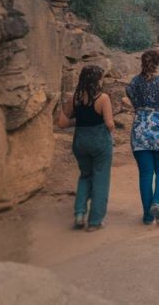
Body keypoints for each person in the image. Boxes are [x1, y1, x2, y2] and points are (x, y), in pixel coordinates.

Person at [58, 65, 114, 232]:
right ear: (97, 80)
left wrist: (79, 122)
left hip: (80, 141)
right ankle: (95, 221)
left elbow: (62, 123)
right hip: (99, 142)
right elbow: (109, 123)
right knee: (101, 180)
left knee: (85, 176)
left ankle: (80, 214)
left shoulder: (74, 97)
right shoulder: (103, 98)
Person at [126, 49, 159, 226]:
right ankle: (158, 203)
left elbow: (133, 100)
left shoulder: (135, 83)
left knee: (146, 174)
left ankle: (148, 216)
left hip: (141, 132)